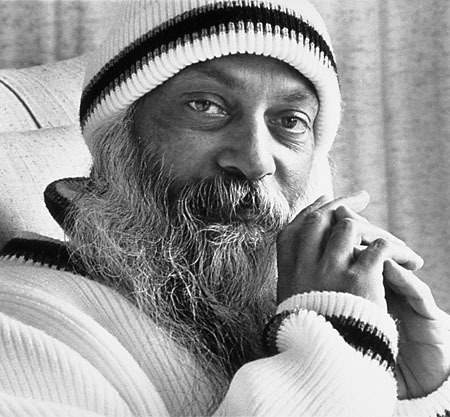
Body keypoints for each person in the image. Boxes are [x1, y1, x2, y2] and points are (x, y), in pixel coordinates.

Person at [1, 0, 449, 416]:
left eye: (290, 122)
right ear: (118, 138)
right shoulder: (23, 322)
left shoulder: (290, 309)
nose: (255, 161)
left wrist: (405, 392)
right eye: (206, 106)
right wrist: (340, 343)